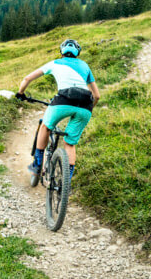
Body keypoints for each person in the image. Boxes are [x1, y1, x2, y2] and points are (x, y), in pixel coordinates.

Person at [16, 38, 99, 179]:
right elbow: (96, 95)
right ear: (77, 52)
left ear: (61, 52)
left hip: (63, 100)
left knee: (45, 127)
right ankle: (66, 181)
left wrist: (21, 94)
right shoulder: (85, 66)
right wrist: (88, 108)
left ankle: (36, 165)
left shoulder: (55, 63)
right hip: (86, 105)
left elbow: (27, 79)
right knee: (70, 144)